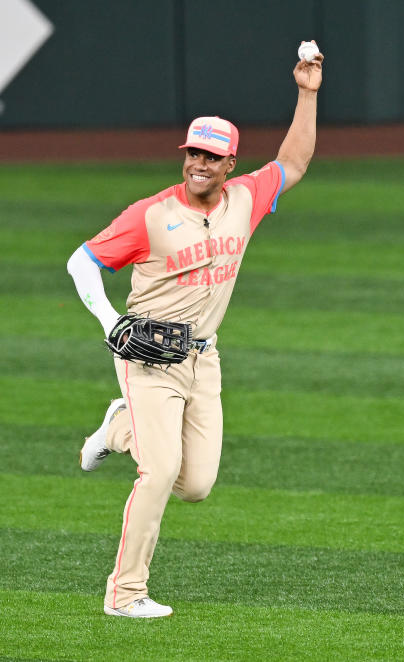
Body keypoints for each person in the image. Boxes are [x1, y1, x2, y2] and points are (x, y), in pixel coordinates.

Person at [66, 42, 323, 618]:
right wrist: (110, 322)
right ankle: (125, 593)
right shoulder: (150, 215)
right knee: (158, 475)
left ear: (230, 164)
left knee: (196, 484)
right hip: (147, 357)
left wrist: (307, 92)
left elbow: (296, 161)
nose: (200, 165)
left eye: (212, 157)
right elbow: (81, 262)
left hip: (203, 359)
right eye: (192, 155)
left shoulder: (246, 199)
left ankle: (118, 427)